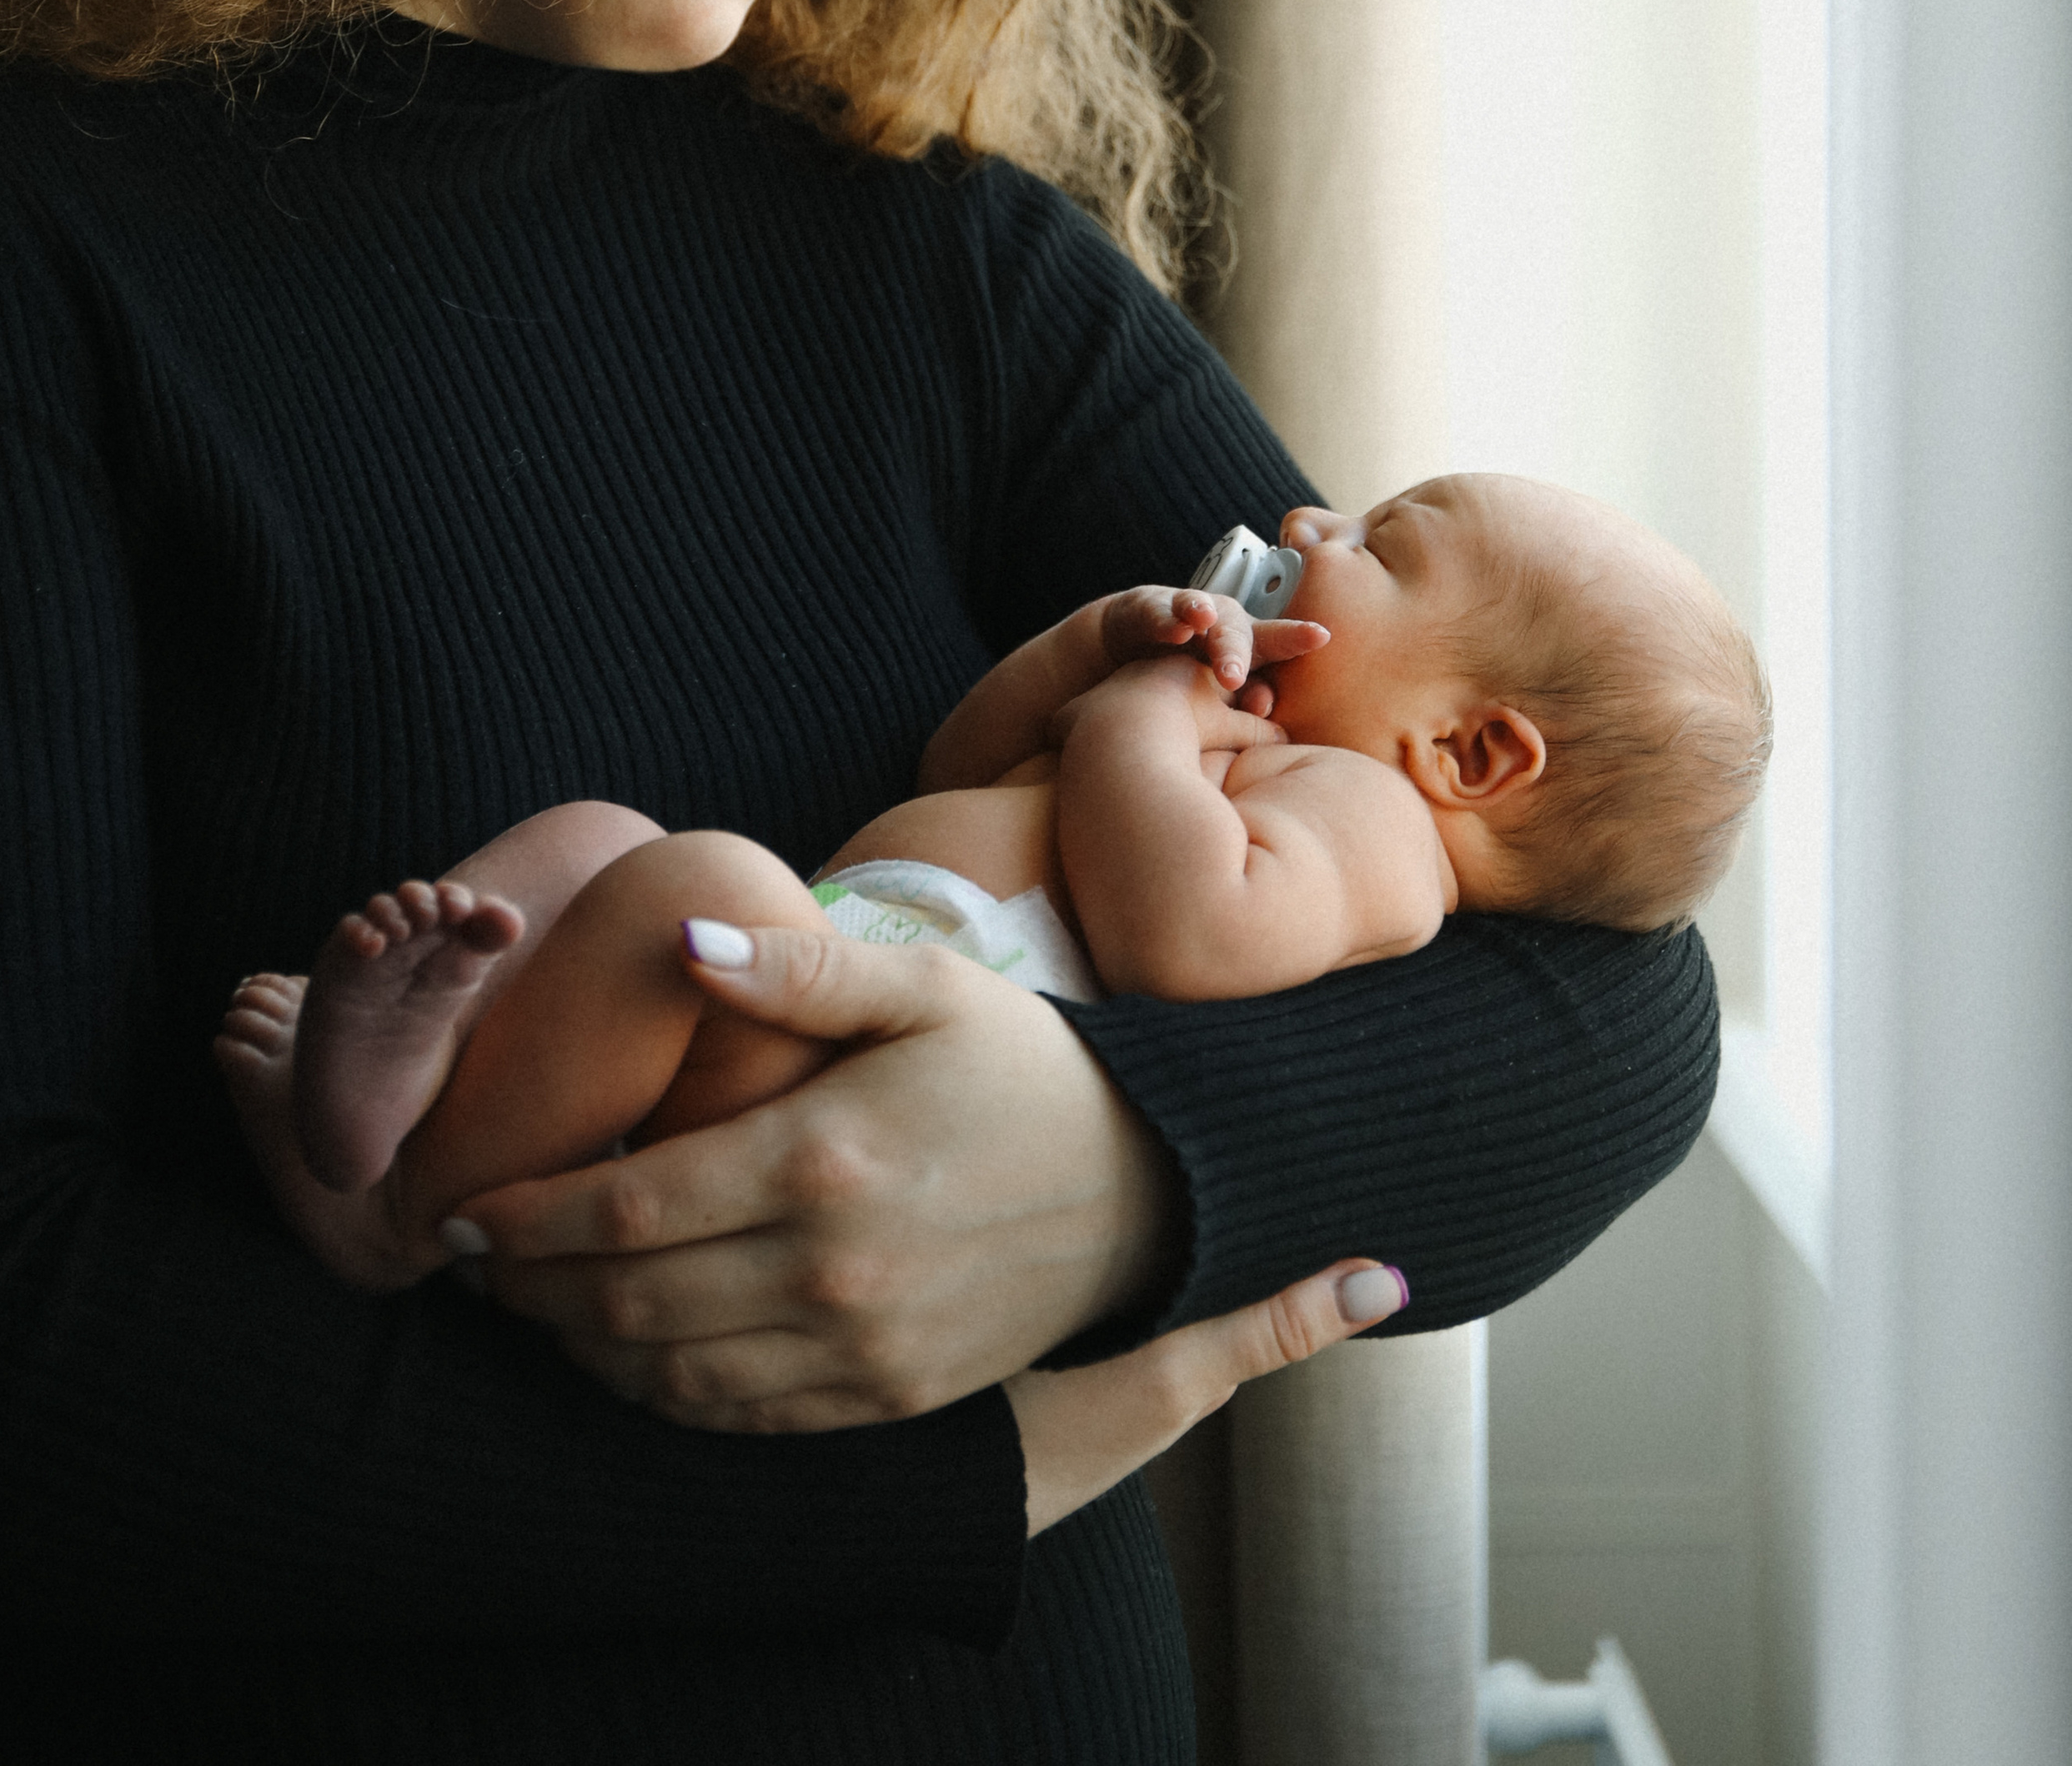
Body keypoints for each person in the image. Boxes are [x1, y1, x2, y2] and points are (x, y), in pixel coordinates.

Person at [0, 0, 1722, 1763]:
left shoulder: (937, 267)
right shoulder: (10, 261)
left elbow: (1601, 1000)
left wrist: (1108, 1173)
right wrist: (940, 1463)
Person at [218, 473, 1766, 1296]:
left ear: (1476, 756)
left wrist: (1146, 721)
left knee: (686, 883)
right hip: (848, 937)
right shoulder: (1244, 722)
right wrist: (1095, 650)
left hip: (874, 1053)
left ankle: (402, 1215)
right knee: (597, 840)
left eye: (1382, 542)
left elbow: (1186, 936)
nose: (1306, 524)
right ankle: (430, 1061)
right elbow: (955, 770)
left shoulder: (1373, 830)